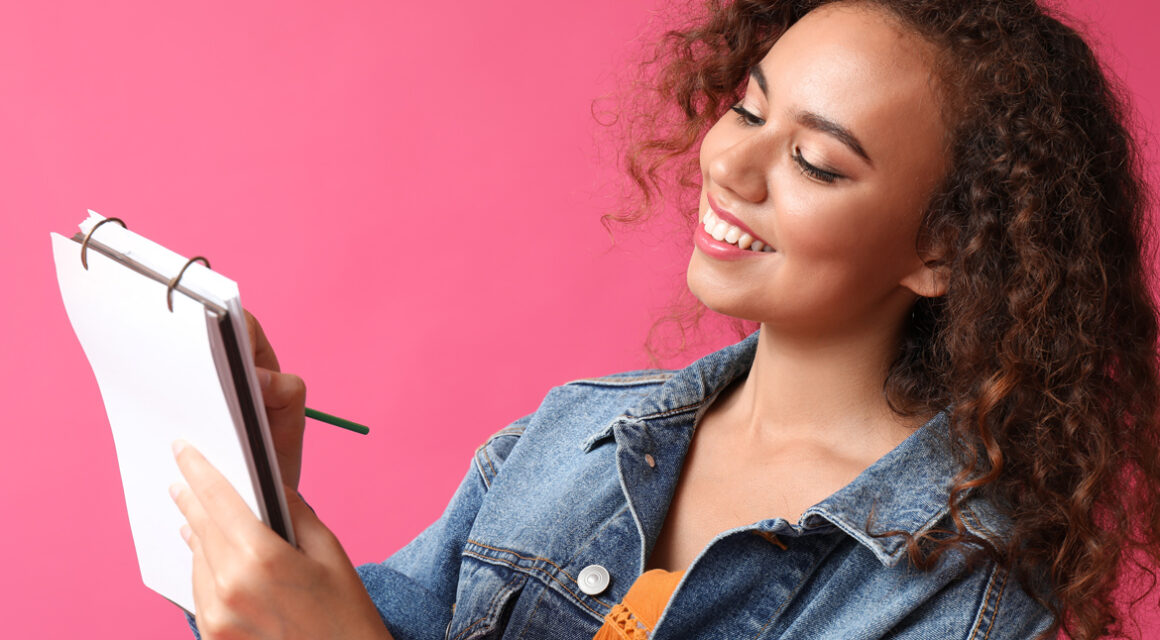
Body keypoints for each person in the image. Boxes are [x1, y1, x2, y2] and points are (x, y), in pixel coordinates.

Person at [169, 0, 1160, 638]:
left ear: (942, 250)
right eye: (746, 107)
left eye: (816, 163)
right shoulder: (573, 432)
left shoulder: (956, 592)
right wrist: (261, 496)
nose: (727, 166)